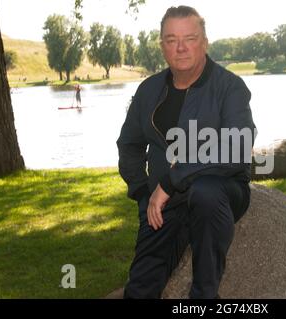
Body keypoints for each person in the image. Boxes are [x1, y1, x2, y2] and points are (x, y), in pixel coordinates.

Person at [117, 6, 256, 299]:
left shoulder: (230, 87)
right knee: (140, 288)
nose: (180, 48)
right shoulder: (148, 90)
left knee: (205, 191)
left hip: (221, 190)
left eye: (189, 38)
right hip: (164, 201)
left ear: (204, 42)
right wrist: (143, 192)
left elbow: (236, 146)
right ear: (162, 46)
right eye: (171, 40)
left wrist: (171, 181)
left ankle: (204, 296)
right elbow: (129, 144)